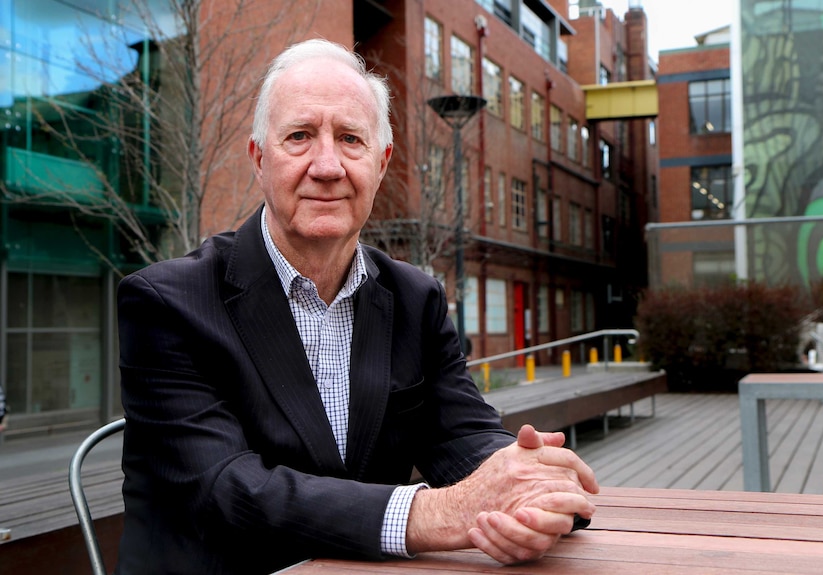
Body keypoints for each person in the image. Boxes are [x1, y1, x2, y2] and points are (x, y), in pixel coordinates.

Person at [115, 38, 598, 575]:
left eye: (350, 139)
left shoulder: (416, 299)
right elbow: (228, 489)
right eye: (299, 137)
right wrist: (438, 512)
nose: (327, 165)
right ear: (258, 159)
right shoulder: (166, 303)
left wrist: (526, 486)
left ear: (382, 161)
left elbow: (460, 432)